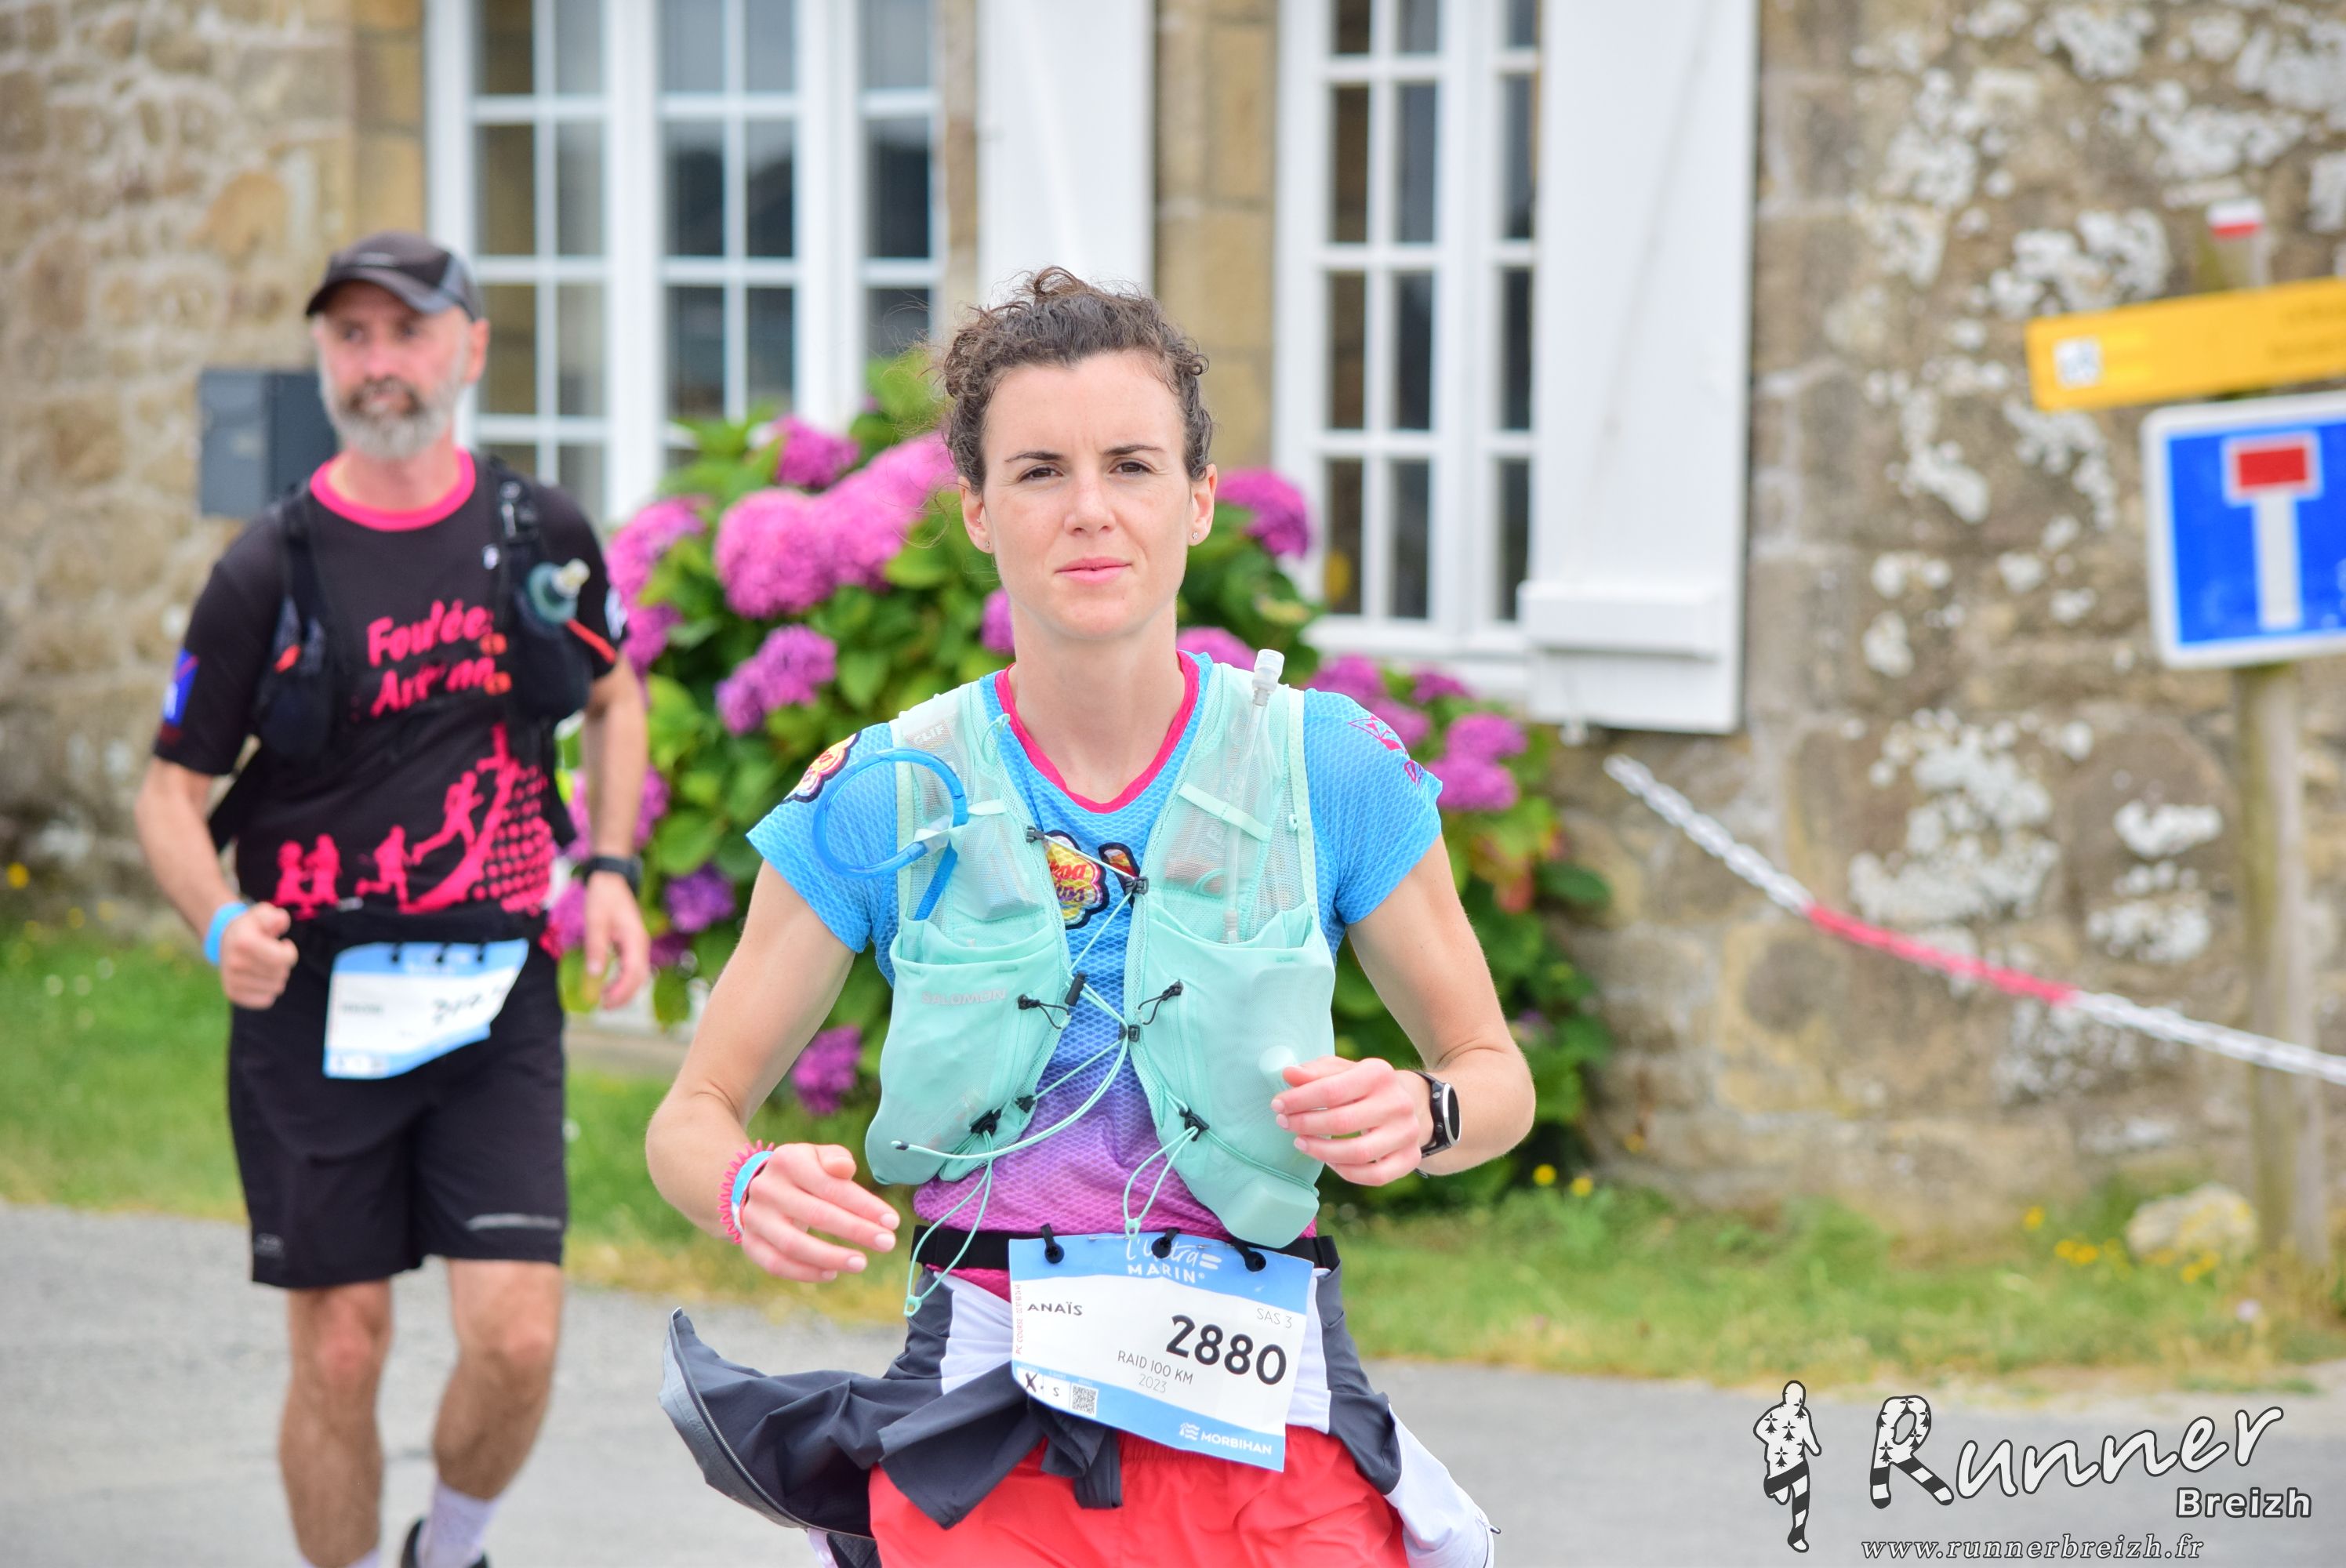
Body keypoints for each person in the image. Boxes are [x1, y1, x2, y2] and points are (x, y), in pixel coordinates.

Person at [645, 269, 1531, 1566]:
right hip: (986, 1395)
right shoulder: (887, 792)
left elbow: (1493, 1076)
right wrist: (743, 1184)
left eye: (1131, 465)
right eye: (1040, 472)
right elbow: (691, 1115)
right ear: (977, 510)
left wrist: (1426, 1111)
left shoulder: (1330, 767)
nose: (1091, 511)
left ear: (1198, 499)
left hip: (1262, 1390)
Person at [133, 231, 653, 1568]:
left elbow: (613, 695)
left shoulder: (541, 534)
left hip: (495, 991)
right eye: (351, 335)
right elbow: (169, 792)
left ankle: (452, 1550)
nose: (379, 362)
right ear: (323, 356)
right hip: (315, 1000)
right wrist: (218, 923)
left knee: (517, 1335)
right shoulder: (268, 568)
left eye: (407, 332)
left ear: (469, 349)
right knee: (341, 1346)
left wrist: (608, 870)